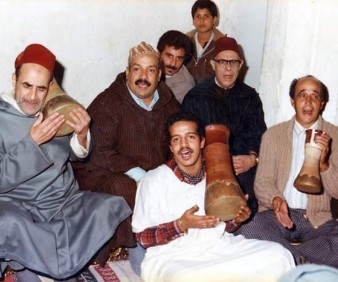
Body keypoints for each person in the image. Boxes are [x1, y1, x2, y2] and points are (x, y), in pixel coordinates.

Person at [0, 44, 131, 281]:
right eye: (26, 85)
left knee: (105, 206)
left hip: (59, 201)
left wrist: (81, 135)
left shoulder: (54, 109)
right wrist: (32, 143)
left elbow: (75, 154)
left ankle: (63, 268)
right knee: (7, 223)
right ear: (14, 80)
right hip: (17, 204)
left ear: (50, 87)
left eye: (41, 89)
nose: (32, 97)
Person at [132, 111, 295, 282]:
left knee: (280, 255)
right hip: (174, 257)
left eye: (190, 137)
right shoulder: (153, 180)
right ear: (171, 148)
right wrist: (181, 225)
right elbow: (142, 238)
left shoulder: (217, 173)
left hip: (219, 246)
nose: (184, 145)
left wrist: (237, 218)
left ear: (202, 141)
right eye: (176, 139)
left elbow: (223, 226)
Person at [72, 41, 180, 265]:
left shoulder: (169, 103)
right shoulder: (109, 101)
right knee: (124, 187)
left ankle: (165, 240)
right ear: (127, 72)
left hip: (151, 172)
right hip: (102, 170)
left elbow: (176, 142)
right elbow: (99, 151)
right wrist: (140, 175)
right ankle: (125, 246)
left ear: (159, 75)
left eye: (150, 70)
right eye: (137, 69)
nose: (143, 76)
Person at [235, 75, 338, 267]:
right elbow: (262, 182)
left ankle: (288, 258)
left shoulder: (335, 136)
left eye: (314, 96)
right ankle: (303, 261)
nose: (308, 102)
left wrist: (324, 166)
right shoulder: (273, 135)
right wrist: (276, 200)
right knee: (247, 228)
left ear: (322, 103)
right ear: (293, 101)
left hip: (318, 221)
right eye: (302, 95)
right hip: (277, 217)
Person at [182, 36, 266, 214]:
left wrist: (252, 159)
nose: (228, 68)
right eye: (222, 62)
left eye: (233, 62)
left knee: (244, 208)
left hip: (242, 168)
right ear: (213, 64)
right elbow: (188, 140)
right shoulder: (196, 97)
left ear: (240, 65)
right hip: (207, 169)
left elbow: (258, 135)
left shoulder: (250, 97)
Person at [186, 0, 225, 83]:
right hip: (186, 92)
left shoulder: (223, 45)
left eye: (206, 16)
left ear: (214, 20)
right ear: (193, 20)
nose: (202, 20)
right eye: (198, 16)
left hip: (212, 93)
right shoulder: (184, 42)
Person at [157, 30, 195, 104]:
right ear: (159, 53)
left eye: (179, 58)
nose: (173, 64)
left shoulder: (184, 86)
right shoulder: (152, 66)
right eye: (169, 56)